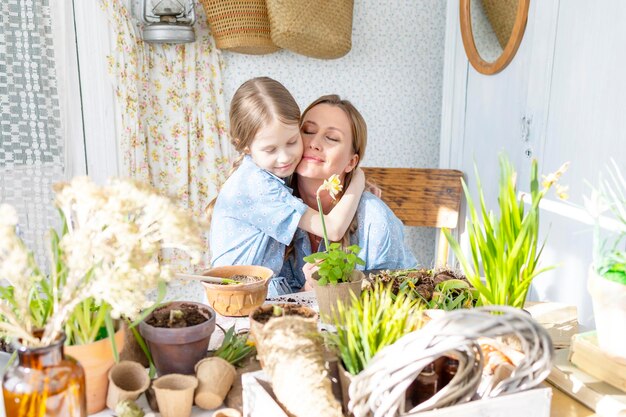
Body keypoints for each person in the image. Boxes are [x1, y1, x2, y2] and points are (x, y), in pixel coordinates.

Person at [207, 78, 365, 296]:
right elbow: (333, 229)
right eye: (270, 149)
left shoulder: (268, 175)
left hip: (252, 290)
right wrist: (358, 178)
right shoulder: (258, 187)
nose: (285, 158)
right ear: (245, 146)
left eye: (292, 142)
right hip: (238, 295)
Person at [280, 95, 418, 291]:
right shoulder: (275, 205)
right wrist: (306, 291)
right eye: (308, 131)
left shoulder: (374, 219)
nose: (314, 143)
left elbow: (396, 297)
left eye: (332, 138)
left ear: (351, 162)